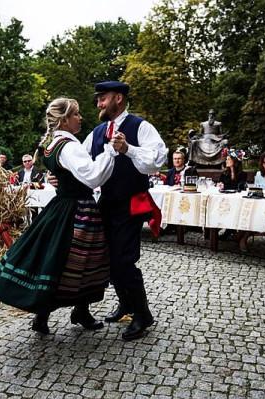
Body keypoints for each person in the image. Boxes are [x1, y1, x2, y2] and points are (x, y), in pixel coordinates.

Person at [0, 98, 117, 335]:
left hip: (62, 207)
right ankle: (58, 312)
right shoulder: (68, 145)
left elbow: (64, 171)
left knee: (61, 259)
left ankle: (66, 313)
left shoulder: (51, 144)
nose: (80, 118)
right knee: (74, 261)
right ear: (64, 119)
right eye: (76, 114)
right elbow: (93, 177)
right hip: (78, 208)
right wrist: (110, 151)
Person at [84, 80, 167, 341]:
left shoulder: (140, 127)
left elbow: (157, 160)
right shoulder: (97, 132)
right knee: (108, 257)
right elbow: (84, 163)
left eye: (103, 98)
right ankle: (126, 304)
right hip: (107, 202)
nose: (98, 103)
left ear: (118, 98)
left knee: (124, 259)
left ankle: (143, 314)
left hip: (131, 202)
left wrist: (128, 149)